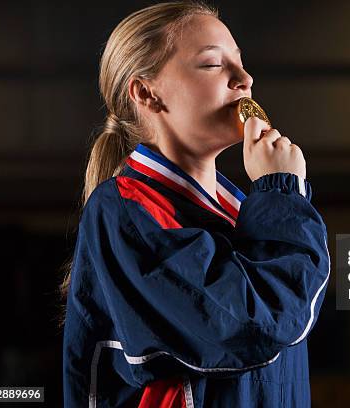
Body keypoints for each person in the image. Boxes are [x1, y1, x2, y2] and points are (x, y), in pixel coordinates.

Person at [60, 2, 330, 407]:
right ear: (147, 93)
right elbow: (254, 325)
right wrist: (281, 191)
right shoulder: (126, 213)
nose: (244, 79)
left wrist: (277, 197)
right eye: (211, 65)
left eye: (240, 62)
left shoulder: (245, 211)